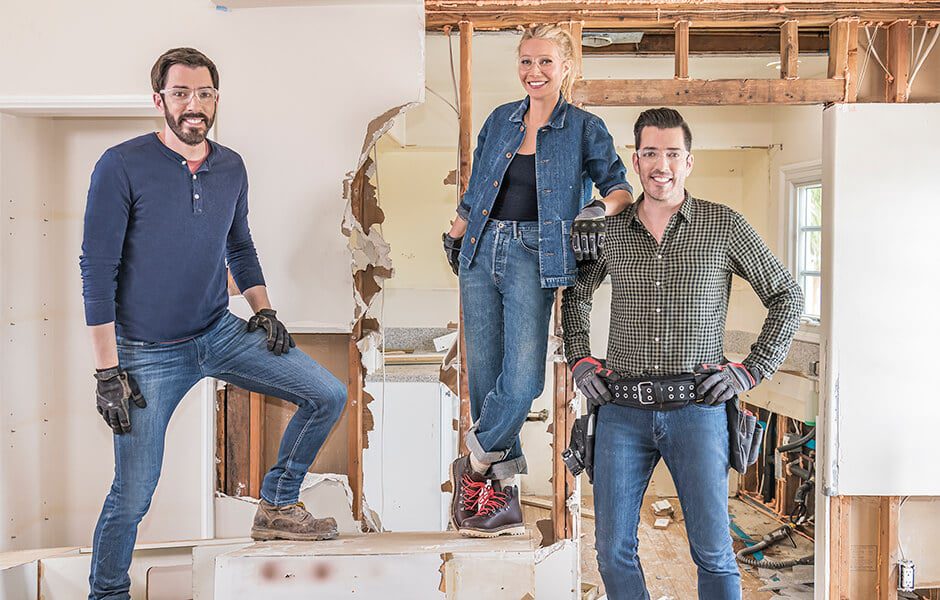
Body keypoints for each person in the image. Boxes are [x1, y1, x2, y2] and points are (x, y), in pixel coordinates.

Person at [80, 47, 347, 600]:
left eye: (203, 93)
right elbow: (96, 269)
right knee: (134, 493)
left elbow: (240, 245)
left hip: (219, 331)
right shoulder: (121, 164)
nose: (194, 105)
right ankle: (107, 592)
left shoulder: (231, 166)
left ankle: (276, 504)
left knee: (327, 393)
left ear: (216, 98)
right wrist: (107, 370)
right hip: (144, 352)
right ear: (159, 100)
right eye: (181, 94)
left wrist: (264, 308)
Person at [561, 107, 804, 599]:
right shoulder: (609, 230)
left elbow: (788, 296)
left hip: (698, 410)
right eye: (651, 153)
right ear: (636, 159)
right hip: (620, 412)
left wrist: (751, 370)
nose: (661, 165)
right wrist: (581, 358)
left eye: (672, 153)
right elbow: (577, 295)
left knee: (713, 552)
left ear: (688, 161)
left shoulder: (723, 225)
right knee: (611, 551)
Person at [441, 25, 634, 538]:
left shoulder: (584, 127)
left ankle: (475, 463)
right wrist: (455, 233)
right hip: (480, 249)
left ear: (566, 66)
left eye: (546, 62)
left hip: (536, 252)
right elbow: (477, 186)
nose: (534, 72)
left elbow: (619, 189)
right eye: (526, 62)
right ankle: (497, 500)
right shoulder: (499, 120)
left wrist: (593, 211)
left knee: (523, 380)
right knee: (484, 381)